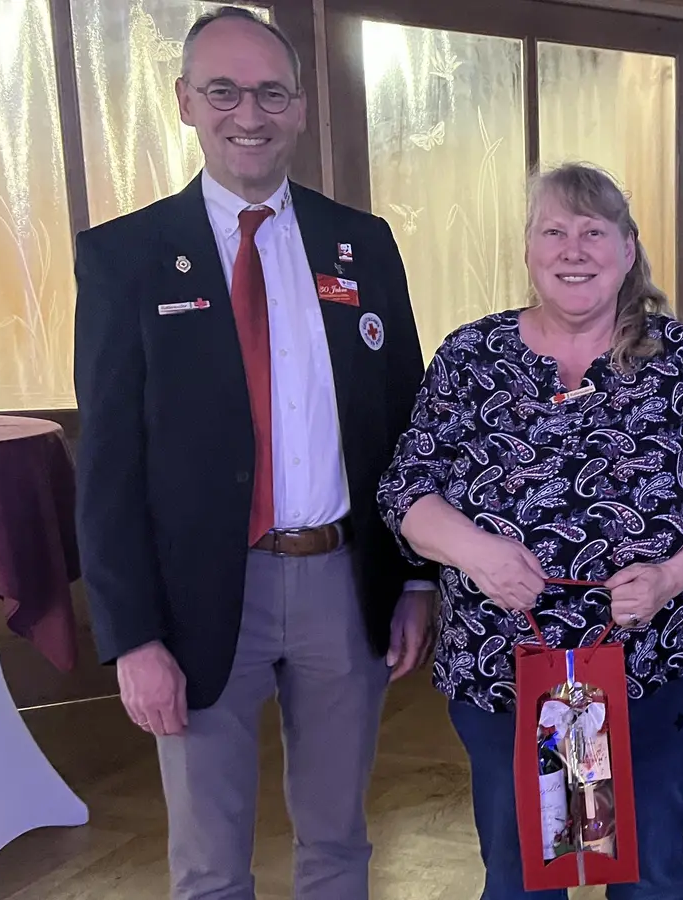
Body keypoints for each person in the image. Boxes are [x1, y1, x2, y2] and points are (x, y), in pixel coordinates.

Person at [72, 7, 435, 899]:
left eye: (271, 92)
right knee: (207, 859)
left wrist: (418, 582)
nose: (250, 113)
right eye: (224, 91)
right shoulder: (126, 259)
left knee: (339, 843)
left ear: (300, 108)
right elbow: (107, 467)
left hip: (341, 587)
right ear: (186, 102)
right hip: (198, 597)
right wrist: (133, 640)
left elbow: (405, 426)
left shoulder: (364, 243)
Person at [377, 161, 683, 900]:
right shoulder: (470, 356)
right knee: (519, 878)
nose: (573, 249)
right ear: (528, 249)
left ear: (628, 248)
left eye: (593, 231)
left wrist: (671, 578)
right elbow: (406, 490)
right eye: (555, 231)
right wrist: (476, 552)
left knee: (649, 875)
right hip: (504, 671)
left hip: (649, 662)